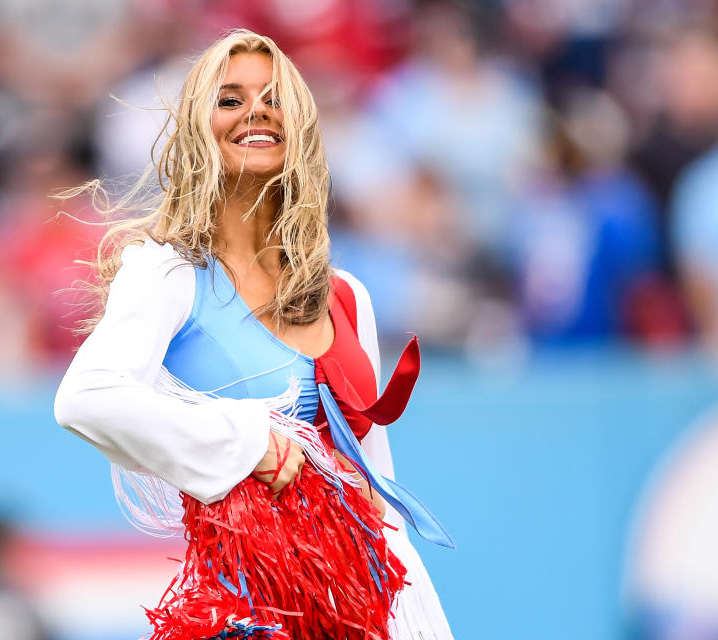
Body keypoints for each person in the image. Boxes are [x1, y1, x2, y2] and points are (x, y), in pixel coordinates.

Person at [54, 30, 454, 639]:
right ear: (197, 131)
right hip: (243, 614)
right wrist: (247, 442)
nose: (257, 112)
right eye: (230, 99)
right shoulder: (167, 271)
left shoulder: (345, 294)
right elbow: (85, 398)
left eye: (274, 99)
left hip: (357, 612)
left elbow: (375, 489)